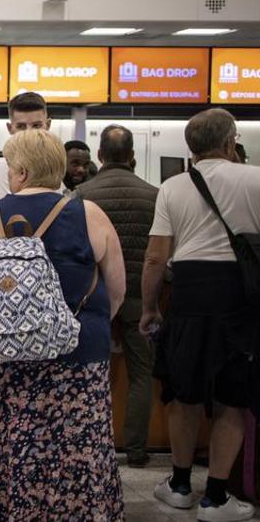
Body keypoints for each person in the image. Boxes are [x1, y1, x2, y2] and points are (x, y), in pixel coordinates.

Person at [0, 128, 126, 519]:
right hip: (77, 363)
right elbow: (116, 291)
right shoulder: (88, 213)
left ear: (23, 172)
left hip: (4, 363)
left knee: (12, 453)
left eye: (12, 167)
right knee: (79, 454)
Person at [141, 109, 258, 521]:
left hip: (188, 296)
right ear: (230, 142)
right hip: (238, 300)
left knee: (183, 393)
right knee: (231, 399)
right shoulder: (255, 178)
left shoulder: (173, 187)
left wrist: (151, 308)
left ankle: (178, 485)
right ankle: (217, 498)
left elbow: (156, 258)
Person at [72, 124, 159, 468]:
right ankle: (136, 450)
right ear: (133, 156)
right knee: (141, 375)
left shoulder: (81, 196)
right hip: (139, 297)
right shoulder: (154, 194)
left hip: (95, 299)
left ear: (100, 156)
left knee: (91, 373)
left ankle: (95, 447)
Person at [0, 92, 52, 203]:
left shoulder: (51, 163)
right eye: (21, 126)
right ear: (10, 128)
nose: (29, 132)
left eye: (36, 126)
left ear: (48, 125)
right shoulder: (2, 166)